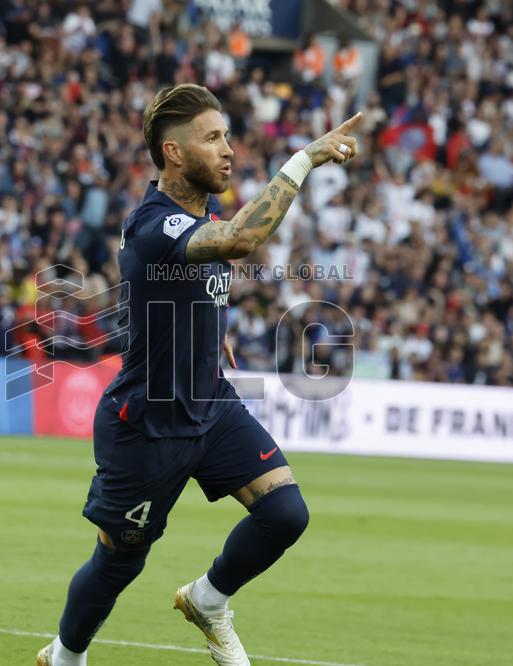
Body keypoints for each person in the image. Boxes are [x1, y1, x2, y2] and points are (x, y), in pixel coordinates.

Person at [32, 83, 360, 666]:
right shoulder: (155, 225)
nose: (229, 150)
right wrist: (304, 158)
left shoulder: (196, 215)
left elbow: (172, 295)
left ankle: (208, 599)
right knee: (119, 562)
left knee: (285, 513)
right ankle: (64, 656)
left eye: (228, 136)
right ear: (174, 153)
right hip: (147, 424)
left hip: (209, 405)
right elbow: (241, 238)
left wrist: (212, 336)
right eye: (212, 139)